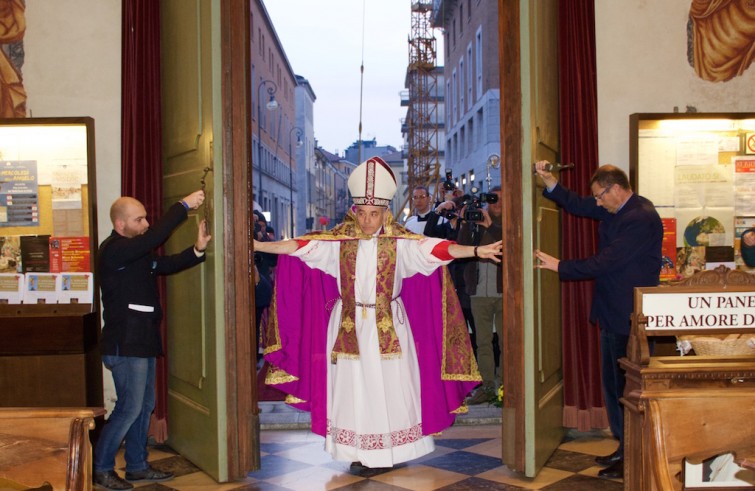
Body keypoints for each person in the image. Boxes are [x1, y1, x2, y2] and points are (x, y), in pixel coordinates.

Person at [255, 157, 502, 468]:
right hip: (348, 325)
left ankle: (390, 452)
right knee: (351, 390)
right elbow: (299, 246)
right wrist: (259, 246)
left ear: (386, 212)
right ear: (355, 211)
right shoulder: (338, 242)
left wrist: (477, 251)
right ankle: (355, 452)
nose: (368, 220)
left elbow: (439, 250)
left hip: (390, 328)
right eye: (363, 213)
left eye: (374, 214)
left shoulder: (402, 243)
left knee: (391, 389)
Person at [533, 162, 663, 480]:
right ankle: (623, 446)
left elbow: (606, 262)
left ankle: (632, 454)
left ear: (615, 188)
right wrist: (550, 182)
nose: (598, 203)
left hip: (629, 317)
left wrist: (560, 265)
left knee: (626, 390)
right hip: (612, 312)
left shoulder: (639, 218)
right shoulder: (620, 209)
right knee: (613, 387)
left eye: (600, 196)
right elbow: (579, 205)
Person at [93, 190, 211, 490]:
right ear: (120, 224)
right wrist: (183, 206)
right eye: (139, 219)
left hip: (142, 343)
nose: (146, 224)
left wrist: (197, 250)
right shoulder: (114, 250)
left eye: (146, 218)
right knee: (129, 408)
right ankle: (102, 468)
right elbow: (154, 238)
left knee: (144, 405)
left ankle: (137, 466)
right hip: (125, 344)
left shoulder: (134, 253)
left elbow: (164, 265)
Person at [454, 187, 503, 404]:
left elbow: (509, 246)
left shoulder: (511, 221)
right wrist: (466, 221)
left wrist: (490, 226)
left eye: (501, 200)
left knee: (506, 343)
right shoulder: (477, 219)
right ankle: (488, 387)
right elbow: (463, 247)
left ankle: (504, 387)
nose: (497, 204)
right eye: (493, 200)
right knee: (483, 342)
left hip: (504, 291)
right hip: (478, 292)